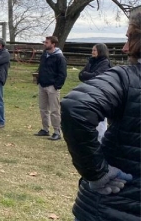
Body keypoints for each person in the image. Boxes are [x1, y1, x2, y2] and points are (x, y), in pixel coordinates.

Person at [61, 13, 140, 221]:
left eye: (130, 37)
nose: (125, 48)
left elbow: (76, 106)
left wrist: (96, 172)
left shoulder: (129, 77)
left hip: (113, 202)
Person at [34, 36, 67, 140]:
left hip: (52, 86)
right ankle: (45, 129)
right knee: (43, 109)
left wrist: (56, 86)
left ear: (53, 44)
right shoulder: (45, 55)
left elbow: (62, 73)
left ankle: (57, 131)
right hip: (42, 85)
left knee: (54, 110)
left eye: (47, 42)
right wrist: (39, 79)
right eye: (45, 42)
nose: (45, 44)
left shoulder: (59, 57)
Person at [78, 43, 111, 142]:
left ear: (100, 51)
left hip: (101, 93)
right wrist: (87, 75)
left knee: (100, 118)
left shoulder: (105, 63)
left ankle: (101, 139)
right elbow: (80, 74)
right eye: (92, 50)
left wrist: (86, 75)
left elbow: (97, 76)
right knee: (88, 115)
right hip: (89, 91)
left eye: (94, 50)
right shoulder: (91, 61)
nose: (92, 52)